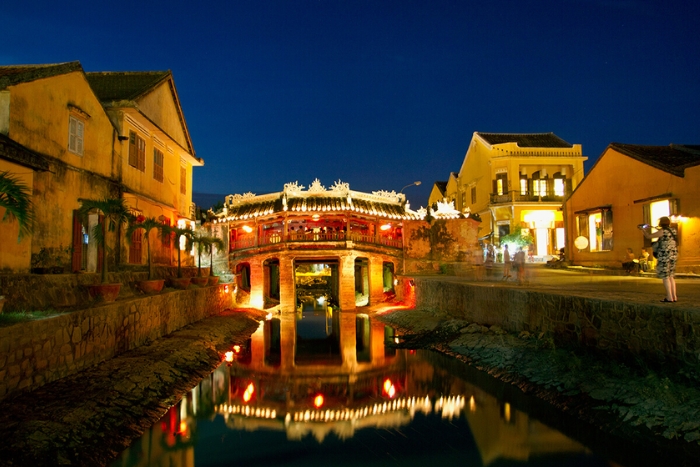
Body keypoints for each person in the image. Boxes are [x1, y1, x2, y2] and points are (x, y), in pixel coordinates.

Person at [639, 217, 678, 302]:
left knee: (665, 276)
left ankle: (669, 297)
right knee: (671, 276)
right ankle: (674, 296)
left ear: (661, 222)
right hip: (673, 255)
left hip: (664, 255)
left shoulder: (662, 231)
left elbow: (648, 236)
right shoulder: (673, 230)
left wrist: (643, 230)